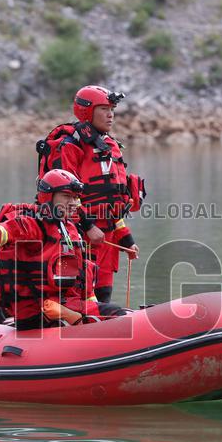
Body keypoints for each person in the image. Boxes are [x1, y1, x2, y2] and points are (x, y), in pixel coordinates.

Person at [0, 169, 99, 331]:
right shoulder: (34, 222)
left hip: (63, 303)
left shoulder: (69, 229)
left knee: (110, 312)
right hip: (38, 309)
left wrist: (90, 303)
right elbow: (10, 230)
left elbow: (82, 274)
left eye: (75, 197)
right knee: (110, 313)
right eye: (66, 196)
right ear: (48, 196)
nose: (73, 202)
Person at [40, 85, 143, 304]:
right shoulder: (69, 146)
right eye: (104, 108)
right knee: (82, 292)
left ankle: (104, 329)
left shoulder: (110, 146)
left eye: (112, 109)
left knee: (103, 294)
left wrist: (126, 239)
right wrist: (87, 226)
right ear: (87, 111)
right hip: (78, 235)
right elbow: (63, 196)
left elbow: (114, 203)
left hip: (106, 238)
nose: (110, 114)